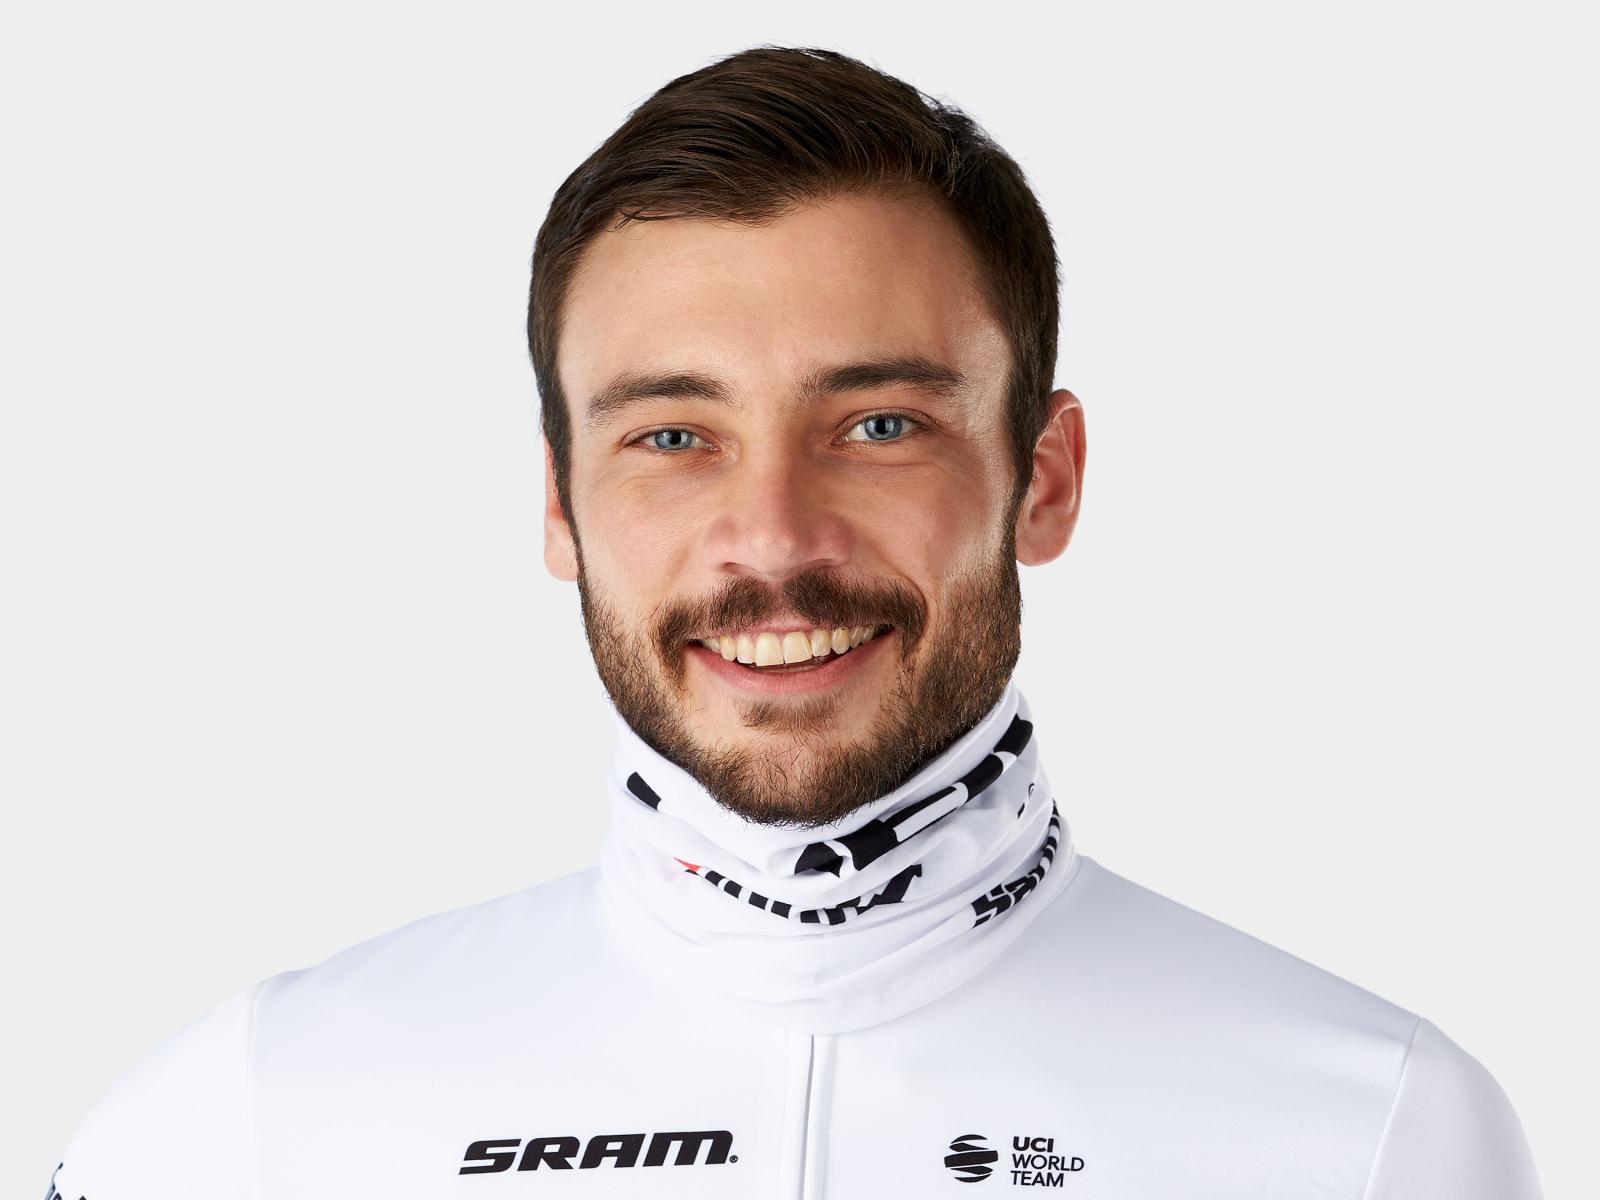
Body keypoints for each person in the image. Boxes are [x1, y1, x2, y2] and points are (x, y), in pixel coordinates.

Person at [47, 44, 1541, 1199]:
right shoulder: (254, 1116)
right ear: (560, 506)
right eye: (672, 437)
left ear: (1045, 478)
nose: (773, 539)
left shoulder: (1378, 1133)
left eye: (880, 425)